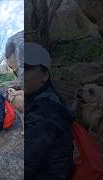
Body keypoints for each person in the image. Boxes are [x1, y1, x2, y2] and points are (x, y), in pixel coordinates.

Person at [25, 42, 75, 180]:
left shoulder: (46, 111)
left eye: (26, 68)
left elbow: (25, 163)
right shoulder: (45, 99)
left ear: (45, 75)